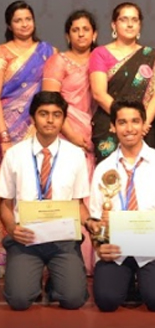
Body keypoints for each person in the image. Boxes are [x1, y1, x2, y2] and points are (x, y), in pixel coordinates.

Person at [0, 91, 97, 311]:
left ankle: (56, 282)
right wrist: (12, 229)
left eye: (57, 114)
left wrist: (90, 222)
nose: (50, 120)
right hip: (26, 239)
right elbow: (4, 204)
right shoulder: (15, 155)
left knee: (73, 300)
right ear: (32, 118)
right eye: (43, 114)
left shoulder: (75, 155)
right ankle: (31, 281)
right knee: (19, 300)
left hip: (63, 240)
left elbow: (78, 204)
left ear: (63, 119)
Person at [89, 99, 155, 312]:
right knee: (106, 301)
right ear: (113, 127)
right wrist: (99, 247)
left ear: (144, 125)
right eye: (122, 122)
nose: (129, 128)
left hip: (152, 248)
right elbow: (97, 220)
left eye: (135, 121)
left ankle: (142, 281)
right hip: (116, 250)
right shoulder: (103, 168)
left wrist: (132, 224)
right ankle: (127, 281)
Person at [42, 9, 98, 275]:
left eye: (86, 29)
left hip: (97, 137)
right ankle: (66, 260)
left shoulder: (101, 60)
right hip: (66, 135)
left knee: (93, 194)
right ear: (67, 35)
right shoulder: (58, 61)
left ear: (94, 34)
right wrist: (74, 136)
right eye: (75, 30)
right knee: (69, 193)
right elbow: (50, 104)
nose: (81, 34)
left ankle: (96, 258)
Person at [89, 2, 155, 163]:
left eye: (134, 20)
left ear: (140, 25)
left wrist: (142, 123)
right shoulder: (100, 53)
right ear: (114, 25)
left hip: (144, 128)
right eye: (124, 19)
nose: (130, 24)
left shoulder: (152, 56)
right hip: (111, 125)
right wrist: (124, 119)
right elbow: (99, 93)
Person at [0, 0, 55, 156]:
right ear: (9, 26)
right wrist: (4, 137)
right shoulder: (3, 53)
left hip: (40, 126)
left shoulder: (49, 52)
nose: (24, 24)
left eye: (28, 19)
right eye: (18, 20)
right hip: (6, 127)